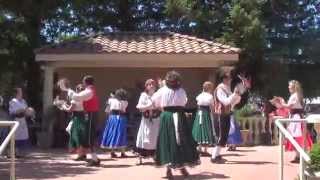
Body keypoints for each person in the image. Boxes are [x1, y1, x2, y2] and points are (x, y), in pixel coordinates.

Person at [151, 71, 199, 179]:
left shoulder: (174, 90)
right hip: (171, 116)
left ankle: (181, 167)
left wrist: (162, 107)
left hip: (174, 115)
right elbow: (183, 102)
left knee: (181, 141)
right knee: (169, 141)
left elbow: (155, 101)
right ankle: (169, 169)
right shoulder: (167, 90)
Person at [61, 76, 100, 166]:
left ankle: (95, 160)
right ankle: (94, 159)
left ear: (85, 82)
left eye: (83, 82)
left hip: (90, 115)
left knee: (89, 138)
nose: (82, 84)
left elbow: (77, 97)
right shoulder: (90, 90)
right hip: (89, 115)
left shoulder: (89, 91)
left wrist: (67, 89)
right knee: (87, 138)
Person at [211, 67, 241, 163]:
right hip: (221, 115)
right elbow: (225, 102)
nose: (230, 80)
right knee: (221, 136)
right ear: (224, 79)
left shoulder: (227, 88)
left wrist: (237, 96)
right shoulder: (220, 88)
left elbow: (232, 103)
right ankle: (214, 157)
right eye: (228, 78)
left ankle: (217, 155)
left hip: (226, 114)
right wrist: (234, 95)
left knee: (224, 136)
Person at [281, 80, 313, 163]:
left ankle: (300, 156)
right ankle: (298, 156)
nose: (288, 87)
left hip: (296, 119)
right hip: (295, 118)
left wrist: (282, 102)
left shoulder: (295, 96)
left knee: (298, 137)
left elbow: (289, 106)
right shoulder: (296, 95)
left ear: (294, 87)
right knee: (296, 137)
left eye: (290, 86)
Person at [60, 84, 92, 162]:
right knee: (83, 135)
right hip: (84, 117)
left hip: (77, 118)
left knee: (76, 135)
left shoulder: (75, 99)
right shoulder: (86, 99)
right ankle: (83, 154)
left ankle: (80, 154)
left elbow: (70, 110)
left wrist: (63, 106)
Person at [135, 79, 161, 165]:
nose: (151, 85)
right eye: (149, 84)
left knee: (154, 138)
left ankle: (155, 156)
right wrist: (149, 106)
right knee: (144, 137)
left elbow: (161, 106)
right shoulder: (143, 95)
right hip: (146, 120)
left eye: (153, 84)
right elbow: (140, 107)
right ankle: (140, 157)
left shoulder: (158, 95)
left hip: (156, 119)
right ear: (146, 86)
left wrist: (155, 107)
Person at [101, 88, 129, 158]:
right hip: (120, 118)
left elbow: (107, 110)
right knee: (121, 134)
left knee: (113, 133)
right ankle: (122, 152)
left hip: (112, 118)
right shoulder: (125, 102)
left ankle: (112, 152)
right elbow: (123, 110)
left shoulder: (111, 100)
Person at [192, 81, 215, 155]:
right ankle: (204, 150)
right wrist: (213, 113)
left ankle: (199, 148)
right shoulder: (210, 96)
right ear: (209, 88)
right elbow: (212, 107)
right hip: (205, 113)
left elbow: (198, 104)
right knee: (206, 129)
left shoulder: (200, 95)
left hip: (199, 113)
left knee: (200, 128)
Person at [9, 88, 31, 157]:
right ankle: (14, 152)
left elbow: (26, 110)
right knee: (15, 136)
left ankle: (22, 153)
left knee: (24, 136)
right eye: (20, 92)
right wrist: (21, 110)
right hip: (16, 120)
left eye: (21, 92)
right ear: (17, 93)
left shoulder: (23, 101)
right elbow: (13, 111)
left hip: (23, 120)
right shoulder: (13, 101)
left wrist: (29, 112)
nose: (21, 93)